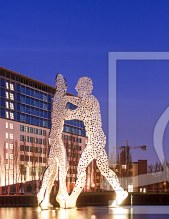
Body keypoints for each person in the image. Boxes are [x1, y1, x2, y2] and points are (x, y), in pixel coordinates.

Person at [62, 77, 128, 207]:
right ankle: (73, 198)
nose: (76, 89)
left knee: (96, 168)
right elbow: (73, 114)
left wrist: (66, 99)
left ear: (86, 89)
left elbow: (80, 107)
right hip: (93, 141)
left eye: (79, 87)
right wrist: (63, 111)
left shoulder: (92, 101)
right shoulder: (86, 106)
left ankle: (120, 192)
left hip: (96, 139)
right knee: (87, 167)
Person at [36, 74, 70, 209]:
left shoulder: (59, 98)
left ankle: (44, 198)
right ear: (58, 85)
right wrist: (81, 113)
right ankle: (62, 194)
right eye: (61, 84)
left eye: (64, 84)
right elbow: (65, 114)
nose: (63, 87)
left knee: (53, 170)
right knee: (63, 165)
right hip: (55, 137)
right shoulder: (58, 99)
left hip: (55, 136)